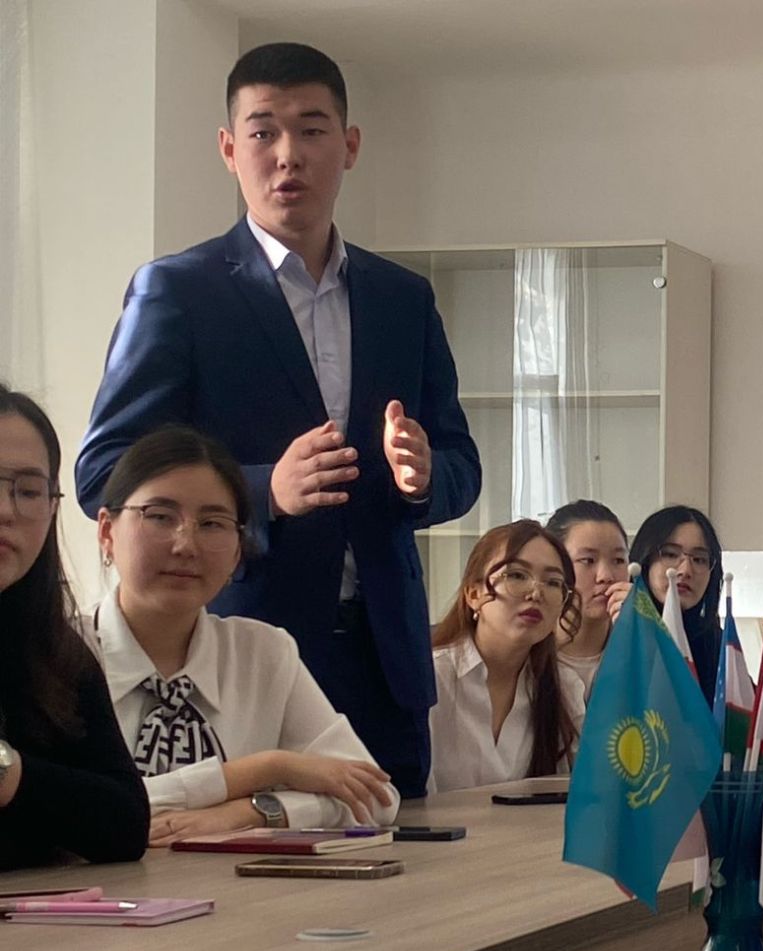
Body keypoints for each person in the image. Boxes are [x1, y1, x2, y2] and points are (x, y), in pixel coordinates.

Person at [76, 42, 481, 798]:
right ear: (230, 150)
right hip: (244, 656)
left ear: (349, 145)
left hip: (385, 660)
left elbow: (463, 467)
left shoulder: (403, 299)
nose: (287, 154)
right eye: (263, 131)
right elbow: (105, 471)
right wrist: (263, 492)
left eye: (311, 129)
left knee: (399, 853)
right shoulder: (178, 291)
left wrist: (425, 476)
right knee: (245, 854)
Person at [86, 427, 398, 845]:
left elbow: (376, 798)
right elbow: (76, 808)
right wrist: (263, 770)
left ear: (237, 549)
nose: (186, 544)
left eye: (212, 524)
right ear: (107, 532)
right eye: (160, 516)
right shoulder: (56, 653)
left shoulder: (262, 653)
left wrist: (251, 812)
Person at [0, 384, 148, 870]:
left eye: (27, 491)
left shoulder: (54, 651)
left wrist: (8, 771)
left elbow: (126, 824)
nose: (6, 510)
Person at [428, 521, 585, 791]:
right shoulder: (432, 679)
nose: (535, 593)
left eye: (552, 582)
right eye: (516, 575)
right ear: (473, 594)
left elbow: (579, 790)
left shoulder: (565, 687)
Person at [610, 506, 724, 691]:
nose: (685, 570)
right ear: (645, 560)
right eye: (670, 554)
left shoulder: (718, 646)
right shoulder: (613, 628)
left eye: (699, 559)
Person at [545, 500, 628, 695]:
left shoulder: (643, 651)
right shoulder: (526, 653)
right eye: (588, 560)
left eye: (618, 560)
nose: (606, 576)